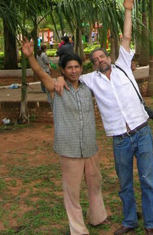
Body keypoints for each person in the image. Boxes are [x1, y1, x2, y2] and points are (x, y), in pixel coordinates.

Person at [56, 0, 153, 235]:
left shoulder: (123, 66)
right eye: (95, 59)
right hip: (120, 139)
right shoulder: (91, 80)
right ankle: (130, 222)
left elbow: (127, 36)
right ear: (92, 65)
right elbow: (71, 74)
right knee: (125, 183)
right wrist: (59, 77)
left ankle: (151, 224)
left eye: (102, 56)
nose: (100, 60)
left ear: (109, 57)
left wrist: (128, 9)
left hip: (142, 132)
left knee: (147, 179)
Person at [22, 40, 108, 235]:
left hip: (90, 146)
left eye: (77, 67)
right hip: (69, 149)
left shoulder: (87, 87)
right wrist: (30, 57)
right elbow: (40, 73)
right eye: (69, 68)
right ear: (63, 70)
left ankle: (97, 216)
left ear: (81, 69)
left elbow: (106, 72)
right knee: (72, 192)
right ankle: (78, 229)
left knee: (95, 183)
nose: (74, 71)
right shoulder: (56, 89)